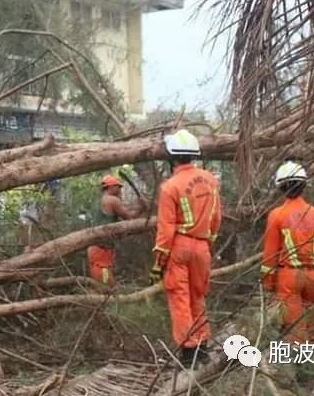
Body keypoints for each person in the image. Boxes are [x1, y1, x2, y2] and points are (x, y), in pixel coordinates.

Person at [150, 129, 221, 365]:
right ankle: (202, 347)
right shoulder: (211, 180)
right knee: (198, 297)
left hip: (179, 248)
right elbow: (216, 218)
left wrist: (158, 263)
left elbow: (166, 230)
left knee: (180, 299)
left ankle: (189, 354)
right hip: (203, 247)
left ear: (172, 157)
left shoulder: (170, 187)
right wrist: (207, 245)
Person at [260, 161, 314, 343]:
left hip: (288, 277)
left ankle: (295, 366)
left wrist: (268, 284)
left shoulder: (277, 215)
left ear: (281, 187)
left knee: (294, 332)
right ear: (304, 185)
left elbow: (270, 255)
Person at [87, 173, 147, 289]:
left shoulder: (100, 201)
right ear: (111, 187)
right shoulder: (112, 200)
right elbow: (129, 217)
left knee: (99, 281)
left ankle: (103, 301)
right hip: (101, 248)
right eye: (118, 187)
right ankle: (107, 301)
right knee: (104, 283)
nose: (120, 190)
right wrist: (140, 207)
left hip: (95, 247)